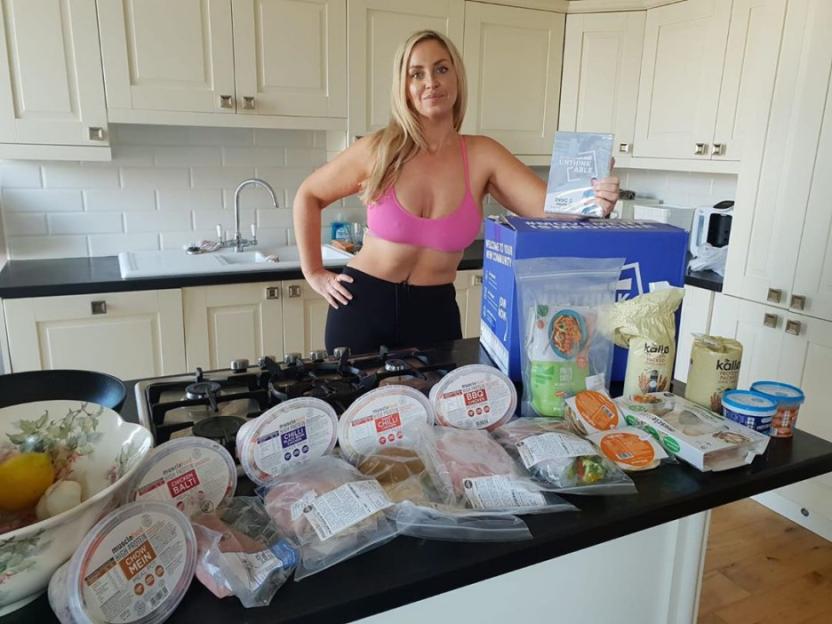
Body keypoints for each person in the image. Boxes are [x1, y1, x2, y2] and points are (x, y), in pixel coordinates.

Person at [293, 30, 620, 355]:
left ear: (457, 77)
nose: (431, 82)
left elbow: (550, 207)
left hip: (433, 314)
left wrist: (592, 198)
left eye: (441, 69)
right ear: (404, 88)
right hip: (362, 305)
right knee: (353, 406)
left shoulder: (483, 155)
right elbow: (309, 195)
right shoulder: (379, 149)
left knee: (438, 406)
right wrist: (314, 273)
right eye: (416, 74)